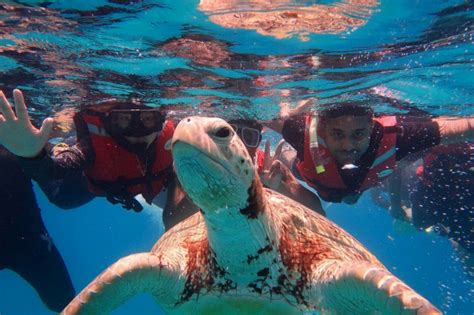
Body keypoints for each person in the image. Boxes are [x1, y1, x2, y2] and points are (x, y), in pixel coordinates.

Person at [0, 88, 183, 218]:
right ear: (111, 124)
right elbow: (52, 171)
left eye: (148, 120)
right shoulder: (91, 148)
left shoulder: (176, 139)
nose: (136, 131)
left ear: (161, 121)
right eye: (124, 121)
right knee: (64, 200)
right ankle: (53, 147)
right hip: (86, 186)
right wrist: (31, 155)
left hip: (153, 183)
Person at [264, 99, 474, 204]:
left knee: (351, 197)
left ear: (372, 127)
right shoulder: (301, 131)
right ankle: (283, 154)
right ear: (323, 129)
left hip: (360, 183)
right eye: (337, 134)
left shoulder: (399, 135)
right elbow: (260, 115)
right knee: (293, 164)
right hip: (313, 173)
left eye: (358, 134)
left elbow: (463, 128)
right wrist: (286, 113)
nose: (347, 145)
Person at [0, 146, 77, 312]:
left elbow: (44, 154)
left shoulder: (12, 130)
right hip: (30, 240)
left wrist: (56, 149)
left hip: (29, 241)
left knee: (66, 303)